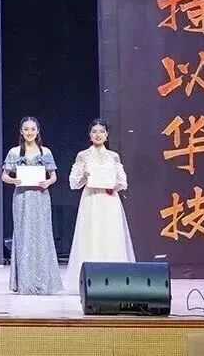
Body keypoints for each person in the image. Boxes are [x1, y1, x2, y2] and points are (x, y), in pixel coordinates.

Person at [65, 119, 135, 292]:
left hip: (109, 200)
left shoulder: (113, 156)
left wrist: (113, 184)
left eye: (101, 131)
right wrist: (85, 176)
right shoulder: (82, 155)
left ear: (107, 135)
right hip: (91, 199)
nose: (98, 135)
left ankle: (114, 279)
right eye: (94, 131)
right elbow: (74, 184)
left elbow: (122, 182)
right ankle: (89, 280)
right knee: (90, 235)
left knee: (110, 236)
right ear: (90, 135)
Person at [2, 116, 63, 295]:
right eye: (26, 129)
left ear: (38, 131)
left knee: (42, 235)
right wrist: (14, 180)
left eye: (33, 129)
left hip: (40, 197)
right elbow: (4, 175)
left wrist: (48, 182)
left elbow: (53, 176)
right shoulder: (14, 152)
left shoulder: (45, 151)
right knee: (23, 235)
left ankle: (43, 281)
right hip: (22, 197)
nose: (30, 132)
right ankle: (24, 282)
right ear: (21, 131)